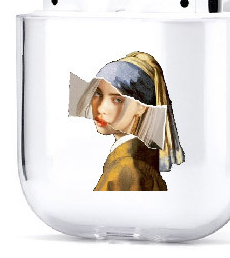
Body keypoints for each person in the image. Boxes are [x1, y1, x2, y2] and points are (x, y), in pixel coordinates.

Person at [72, 51, 184, 191]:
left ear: (141, 107)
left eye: (117, 100)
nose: (100, 108)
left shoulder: (127, 168)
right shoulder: (136, 161)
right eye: (98, 93)